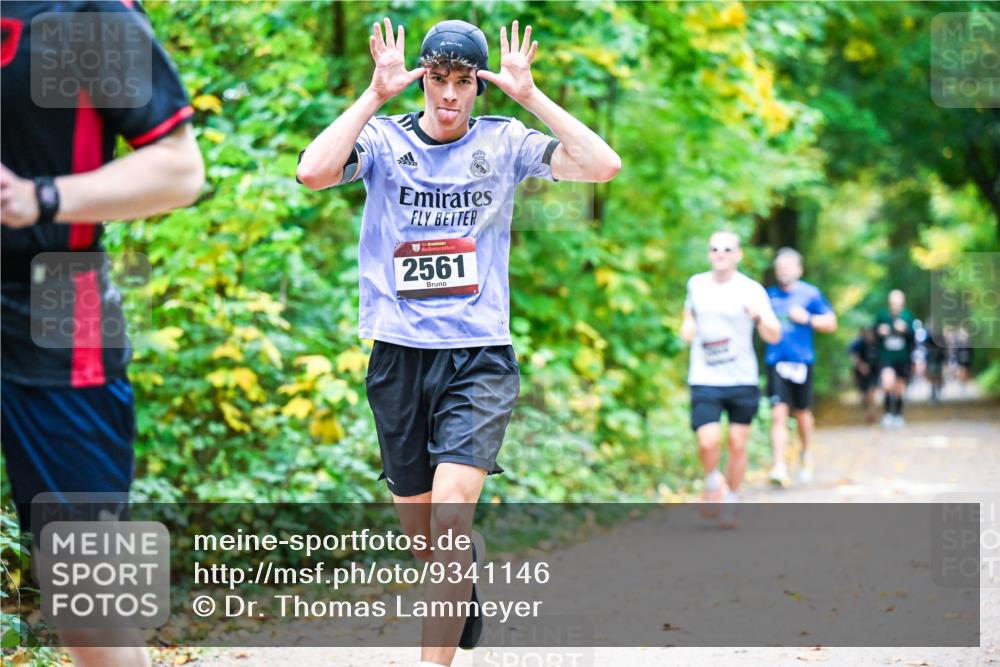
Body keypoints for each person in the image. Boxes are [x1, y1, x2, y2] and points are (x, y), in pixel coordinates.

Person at [297, 17, 620, 666]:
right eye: (438, 79)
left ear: (479, 87)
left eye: (463, 82)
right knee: (428, 541)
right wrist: (373, 97)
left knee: (449, 518)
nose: (449, 94)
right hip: (397, 356)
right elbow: (312, 172)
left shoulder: (504, 142)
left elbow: (602, 164)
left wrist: (531, 97)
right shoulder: (384, 141)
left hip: (479, 359)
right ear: (423, 80)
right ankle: (460, 581)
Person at [1, 2, 203, 665]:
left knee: (87, 602)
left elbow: (179, 169)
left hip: (57, 305)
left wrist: (43, 197)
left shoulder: (82, 12)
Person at [681, 231, 781, 526]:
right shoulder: (696, 284)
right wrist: (687, 326)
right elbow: (688, 315)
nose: (720, 253)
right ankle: (713, 480)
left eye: (727, 249)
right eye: (714, 249)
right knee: (708, 440)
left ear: (738, 254)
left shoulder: (751, 290)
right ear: (709, 254)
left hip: (741, 378)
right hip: (705, 376)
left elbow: (774, 334)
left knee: (738, 443)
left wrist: (759, 317)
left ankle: (732, 498)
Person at [764, 248, 837, 486]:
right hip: (776, 361)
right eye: (780, 267)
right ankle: (779, 465)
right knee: (778, 413)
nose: (783, 271)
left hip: (802, 362)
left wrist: (807, 319)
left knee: (802, 412)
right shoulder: (768, 296)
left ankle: (806, 453)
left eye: (788, 266)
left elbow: (831, 322)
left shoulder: (810, 294)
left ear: (798, 269)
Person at [874, 289, 916, 428]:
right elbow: (873, 333)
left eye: (898, 303)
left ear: (902, 303)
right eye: (893, 303)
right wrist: (880, 331)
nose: (895, 305)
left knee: (898, 387)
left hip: (902, 357)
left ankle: (897, 414)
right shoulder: (882, 315)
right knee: (887, 383)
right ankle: (887, 414)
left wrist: (905, 330)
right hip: (886, 356)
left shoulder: (908, 316)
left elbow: (914, 337)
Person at [849, 327, 880, 421]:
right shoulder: (858, 343)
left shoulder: (879, 342)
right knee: (864, 394)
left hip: (875, 370)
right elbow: (853, 356)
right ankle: (867, 412)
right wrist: (860, 365)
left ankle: (872, 412)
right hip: (861, 372)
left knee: (872, 392)